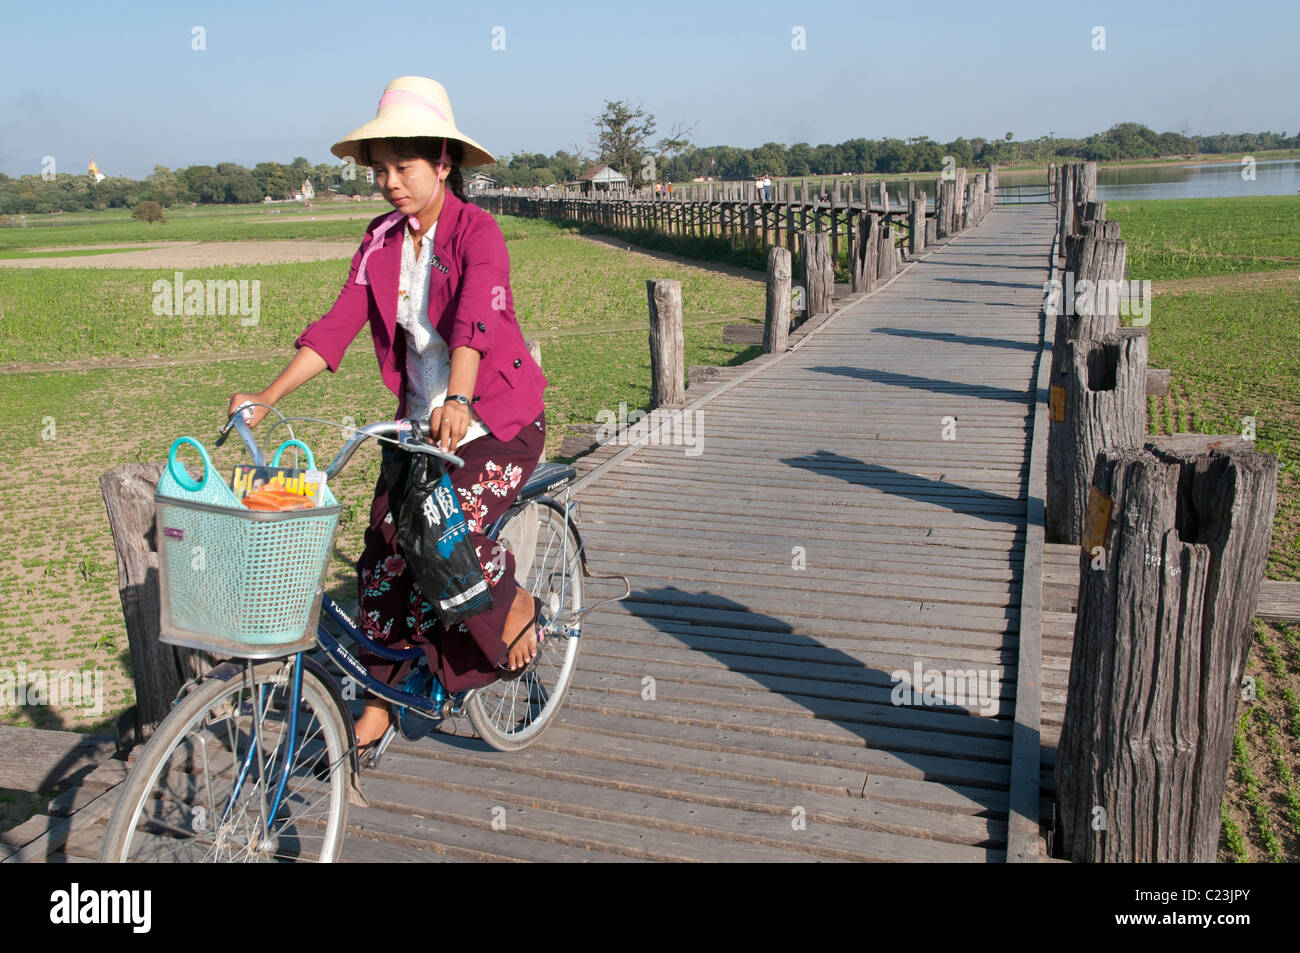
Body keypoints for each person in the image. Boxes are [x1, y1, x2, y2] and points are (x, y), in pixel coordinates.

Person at [227, 76, 548, 750]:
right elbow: (336, 326)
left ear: (442, 162)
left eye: (402, 166)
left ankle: (513, 604)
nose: (389, 182)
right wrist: (268, 396)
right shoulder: (380, 242)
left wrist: (458, 397)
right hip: (417, 428)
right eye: (380, 169)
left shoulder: (477, 232)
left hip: (495, 422)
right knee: (382, 556)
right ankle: (379, 696)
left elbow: (474, 323)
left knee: (439, 532)